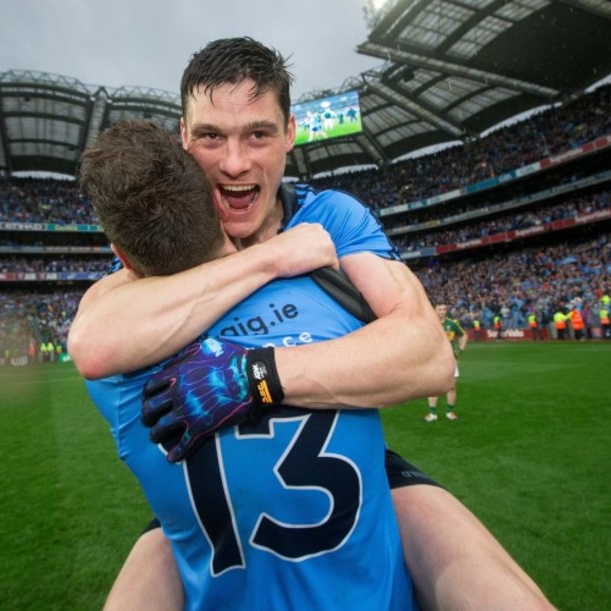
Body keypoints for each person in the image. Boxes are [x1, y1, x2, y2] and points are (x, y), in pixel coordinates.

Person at [69, 37, 554, 610]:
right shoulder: (160, 247)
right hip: (215, 511)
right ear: (183, 137)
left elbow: (431, 355)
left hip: (360, 480)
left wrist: (255, 375)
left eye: (258, 133)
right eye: (210, 136)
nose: (234, 161)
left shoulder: (332, 216)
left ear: (291, 132)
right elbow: (92, 341)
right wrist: (271, 256)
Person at [79, 118, 419, 609]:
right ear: (221, 208)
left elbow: (92, 332)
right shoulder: (328, 298)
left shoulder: (117, 381)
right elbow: (425, 356)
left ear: (121, 259)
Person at [424, 304, 468, 423]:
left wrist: (460, 350)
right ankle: (432, 414)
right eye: (440, 309)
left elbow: (463, 336)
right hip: (434, 360)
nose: (443, 312)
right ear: (435, 310)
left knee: (451, 387)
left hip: (450, 359)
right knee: (434, 387)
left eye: (444, 309)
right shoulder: (429, 324)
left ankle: (450, 412)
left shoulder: (452, 324)